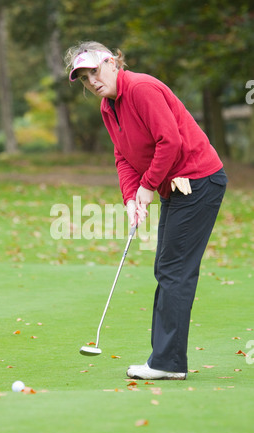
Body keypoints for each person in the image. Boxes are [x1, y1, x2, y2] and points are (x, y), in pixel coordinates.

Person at [65, 41, 228, 380]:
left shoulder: (141, 88)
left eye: (95, 71)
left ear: (112, 63)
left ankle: (167, 364)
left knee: (173, 270)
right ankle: (167, 360)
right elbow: (123, 156)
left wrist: (147, 186)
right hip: (176, 185)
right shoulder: (108, 107)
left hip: (199, 180)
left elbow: (170, 141)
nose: (92, 82)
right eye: (84, 78)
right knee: (168, 268)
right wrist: (130, 198)